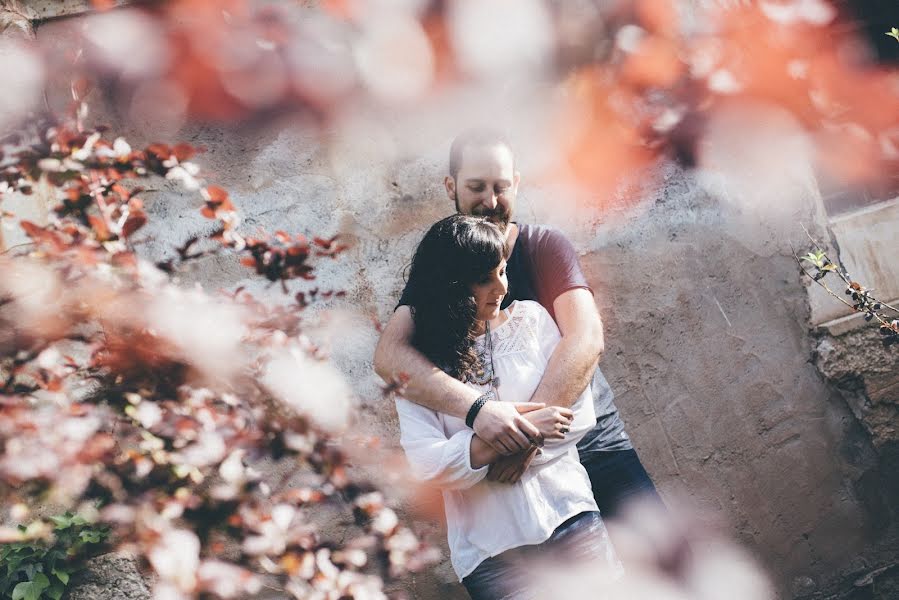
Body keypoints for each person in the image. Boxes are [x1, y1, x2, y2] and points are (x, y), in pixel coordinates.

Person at [374, 129, 661, 519]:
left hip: (593, 447)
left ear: (517, 185)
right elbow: (390, 356)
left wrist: (527, 437)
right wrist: (481, 413)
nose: (490, 201)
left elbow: (586, 337)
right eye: (476, 186)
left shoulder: (545, 245)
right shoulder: (441, 262)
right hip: (501, 477)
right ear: (450, 186)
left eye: (501, 187)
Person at [395, 214, 620, 598]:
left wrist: (482, 454)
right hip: (492, 556)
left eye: (502, 271)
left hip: (570, 518)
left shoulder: (532, 321)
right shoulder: (420, 366)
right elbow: (425, 464)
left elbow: (579, 416)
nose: (501, 287)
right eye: (484, 278)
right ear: (449, 285)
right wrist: (503, 440)